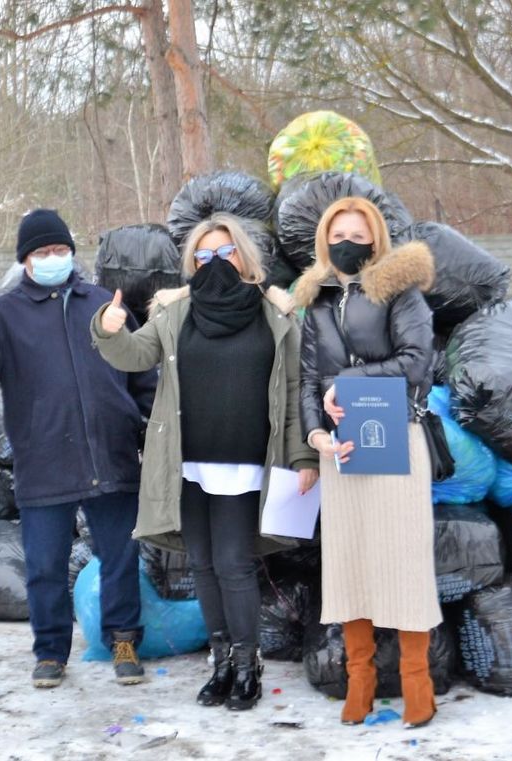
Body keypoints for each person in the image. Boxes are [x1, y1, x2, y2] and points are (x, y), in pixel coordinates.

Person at [91, 212, 319, 710]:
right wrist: (108, 330)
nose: (214, 262)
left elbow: (298, 389)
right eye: (203, 255)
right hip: (187, 463)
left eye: (224, 252)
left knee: (235, 564)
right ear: (191, 263)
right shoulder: (175, 312)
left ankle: (246, 664)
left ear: (244, 255)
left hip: (248, 464)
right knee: (201, 563)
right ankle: (220, 663)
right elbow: (134, 354)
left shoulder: (276, 313)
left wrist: (303, 454)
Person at [0, 208, 157, 689]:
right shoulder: (6, 311)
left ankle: (123, 640)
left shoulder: (101, 302)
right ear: (25, 261)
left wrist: (151, 423)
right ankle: (50, 651)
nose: (52, 258)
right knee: (44, 565)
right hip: (44, 457)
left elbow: (141, 373)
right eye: (42, 252)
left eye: (60, 250)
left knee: (120, 555)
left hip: (110, 453)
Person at [295, 196, 441, 729]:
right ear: (324, 241)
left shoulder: (400, 291)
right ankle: (360, 682)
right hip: (343, 448)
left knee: (404, 562)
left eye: (358, 234)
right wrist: (316, 432)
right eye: (339, 234)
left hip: (397, 438)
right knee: (349, 563)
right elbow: (308, 378)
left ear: (375, 239)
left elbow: (417, 362)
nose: (347, 243)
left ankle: (416, 683)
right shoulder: (315, 301)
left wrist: (348, 382)